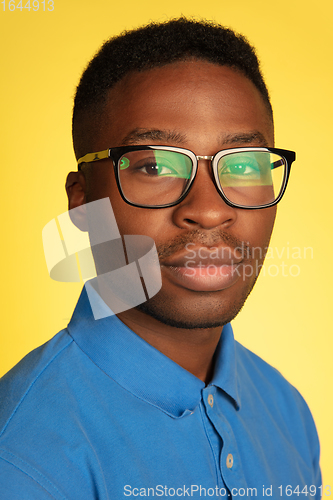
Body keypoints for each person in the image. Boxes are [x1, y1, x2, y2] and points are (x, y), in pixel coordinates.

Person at [0, 18, 321, 499]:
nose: (209, 209)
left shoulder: (286, 409)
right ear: (83, 201)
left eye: (243, 165)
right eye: (155, 166)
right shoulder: (24, 459)